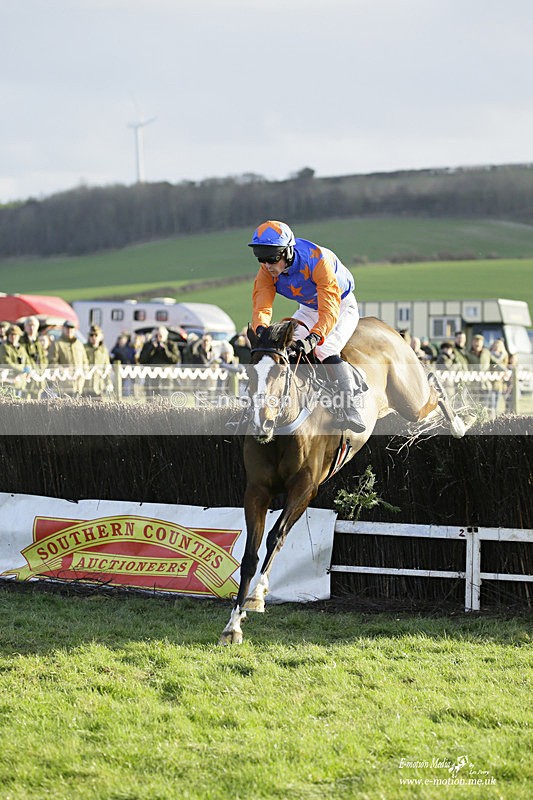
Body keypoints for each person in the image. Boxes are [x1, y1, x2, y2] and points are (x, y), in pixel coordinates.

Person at [249, 219, 365, 432]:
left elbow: (329, 309)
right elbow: (262, 301)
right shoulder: (267, 269)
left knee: (324, 348)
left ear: (288, 252)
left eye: (271, 258)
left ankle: (350, 407)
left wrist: (314, 338)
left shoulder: (317, 260)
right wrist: (261, 329)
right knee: (283, 349)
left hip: (340, 306)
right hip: (308, 308)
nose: (267, 265)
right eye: (261, 258)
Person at [48, 320, 89, 397]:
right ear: (63, 329)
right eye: (67, 328)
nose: (69, 330)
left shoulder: (79, 344)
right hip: (64, 386)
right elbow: (52, 362)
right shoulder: (57, 343)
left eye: (71, 328)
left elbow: (85, 360)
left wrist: (84, 371)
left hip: (78, 385)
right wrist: (63, 371)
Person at [139, 326, 181, 396]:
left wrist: (165, 350)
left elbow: (175, 360)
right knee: (151, 398)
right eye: (156, 335)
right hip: (151, 376)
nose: (158, 338)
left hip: (166, 377)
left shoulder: (171, 345)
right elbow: (142, 360)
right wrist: (152, 348)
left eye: (160, 336)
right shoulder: (148, 345)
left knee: (166, 397)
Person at [20, 316, 48, 397]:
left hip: (38, 378)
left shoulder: (37, 342)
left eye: (34, 326)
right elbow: (24, 357)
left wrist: (41, 369)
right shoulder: (21, 341)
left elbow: (43, 359)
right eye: (29, 325)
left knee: (37, 404)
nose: (31, 328)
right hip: (27, 378)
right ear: (25, 327)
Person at [0, 325, 32, 395]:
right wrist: (23, 369)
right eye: (12, 335)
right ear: (8, 335)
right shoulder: (4, 347)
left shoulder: (21, 348)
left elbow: (28, 361)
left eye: (16, 335)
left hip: (22, 382)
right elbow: (7, 363)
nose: (14, 337)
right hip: (9, 382)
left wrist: (28, 369)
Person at [84, 324, 111, 398]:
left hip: (99, 386)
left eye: (96, 335)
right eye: (91, 335)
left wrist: (109, 383)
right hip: (86, 386)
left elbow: (107, 367)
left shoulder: (103, 350)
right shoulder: (83, 348)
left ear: (101, 336)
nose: (94, 337)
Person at [467, 334, 491, 407]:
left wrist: (505, 370)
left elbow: (495, 362)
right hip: (473, 385)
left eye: (479, 342)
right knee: (473, 405)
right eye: (475, 342)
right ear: (472, 343)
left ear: (482, 343)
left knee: (485, 406)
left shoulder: (487, 353)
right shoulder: (468, 354)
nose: (477, 344)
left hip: (485, 384)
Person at [488, 339, 509, 418]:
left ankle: (495, 418)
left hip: (500, 383)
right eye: (495, 345)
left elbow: (505, 367)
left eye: (499, 345)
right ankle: (491, 418)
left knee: (497, 403)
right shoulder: (490, 355)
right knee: (492, 403)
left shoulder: (504, 356)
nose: (497, 347)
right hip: (491, 382)